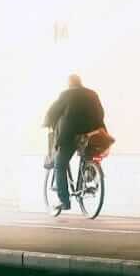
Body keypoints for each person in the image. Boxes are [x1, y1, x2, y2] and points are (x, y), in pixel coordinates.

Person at [43, 74, 105, 216]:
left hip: (70, 135)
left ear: (70, 83)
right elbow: (101, 113)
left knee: (60, 164)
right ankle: (89, 175)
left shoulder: (66, 94)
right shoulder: (92, 94)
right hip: (91, 134)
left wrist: (47, 123)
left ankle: (64, 201)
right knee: (88, 155)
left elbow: (52, 111)